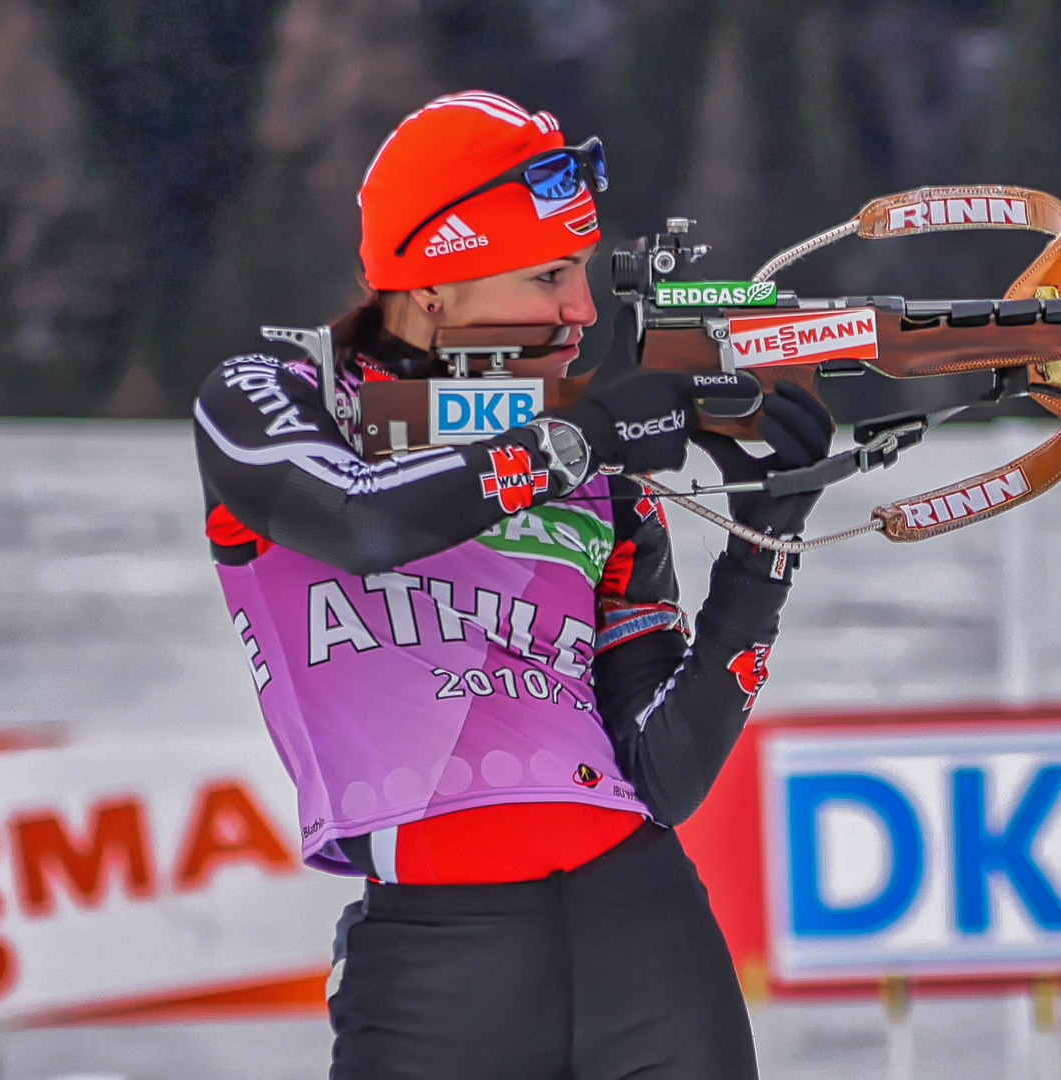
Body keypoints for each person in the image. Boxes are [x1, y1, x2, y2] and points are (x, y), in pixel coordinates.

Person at [192, 90, 829, 1080]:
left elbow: (663, 773)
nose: (582, 308)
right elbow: (363, 521)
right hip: (438, 958)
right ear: (435, 287)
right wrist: (591, 434)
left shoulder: (597, 479)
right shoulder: (277, 397)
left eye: (583, 272)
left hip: (643, 928)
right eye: (547, 276)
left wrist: (767, 544)